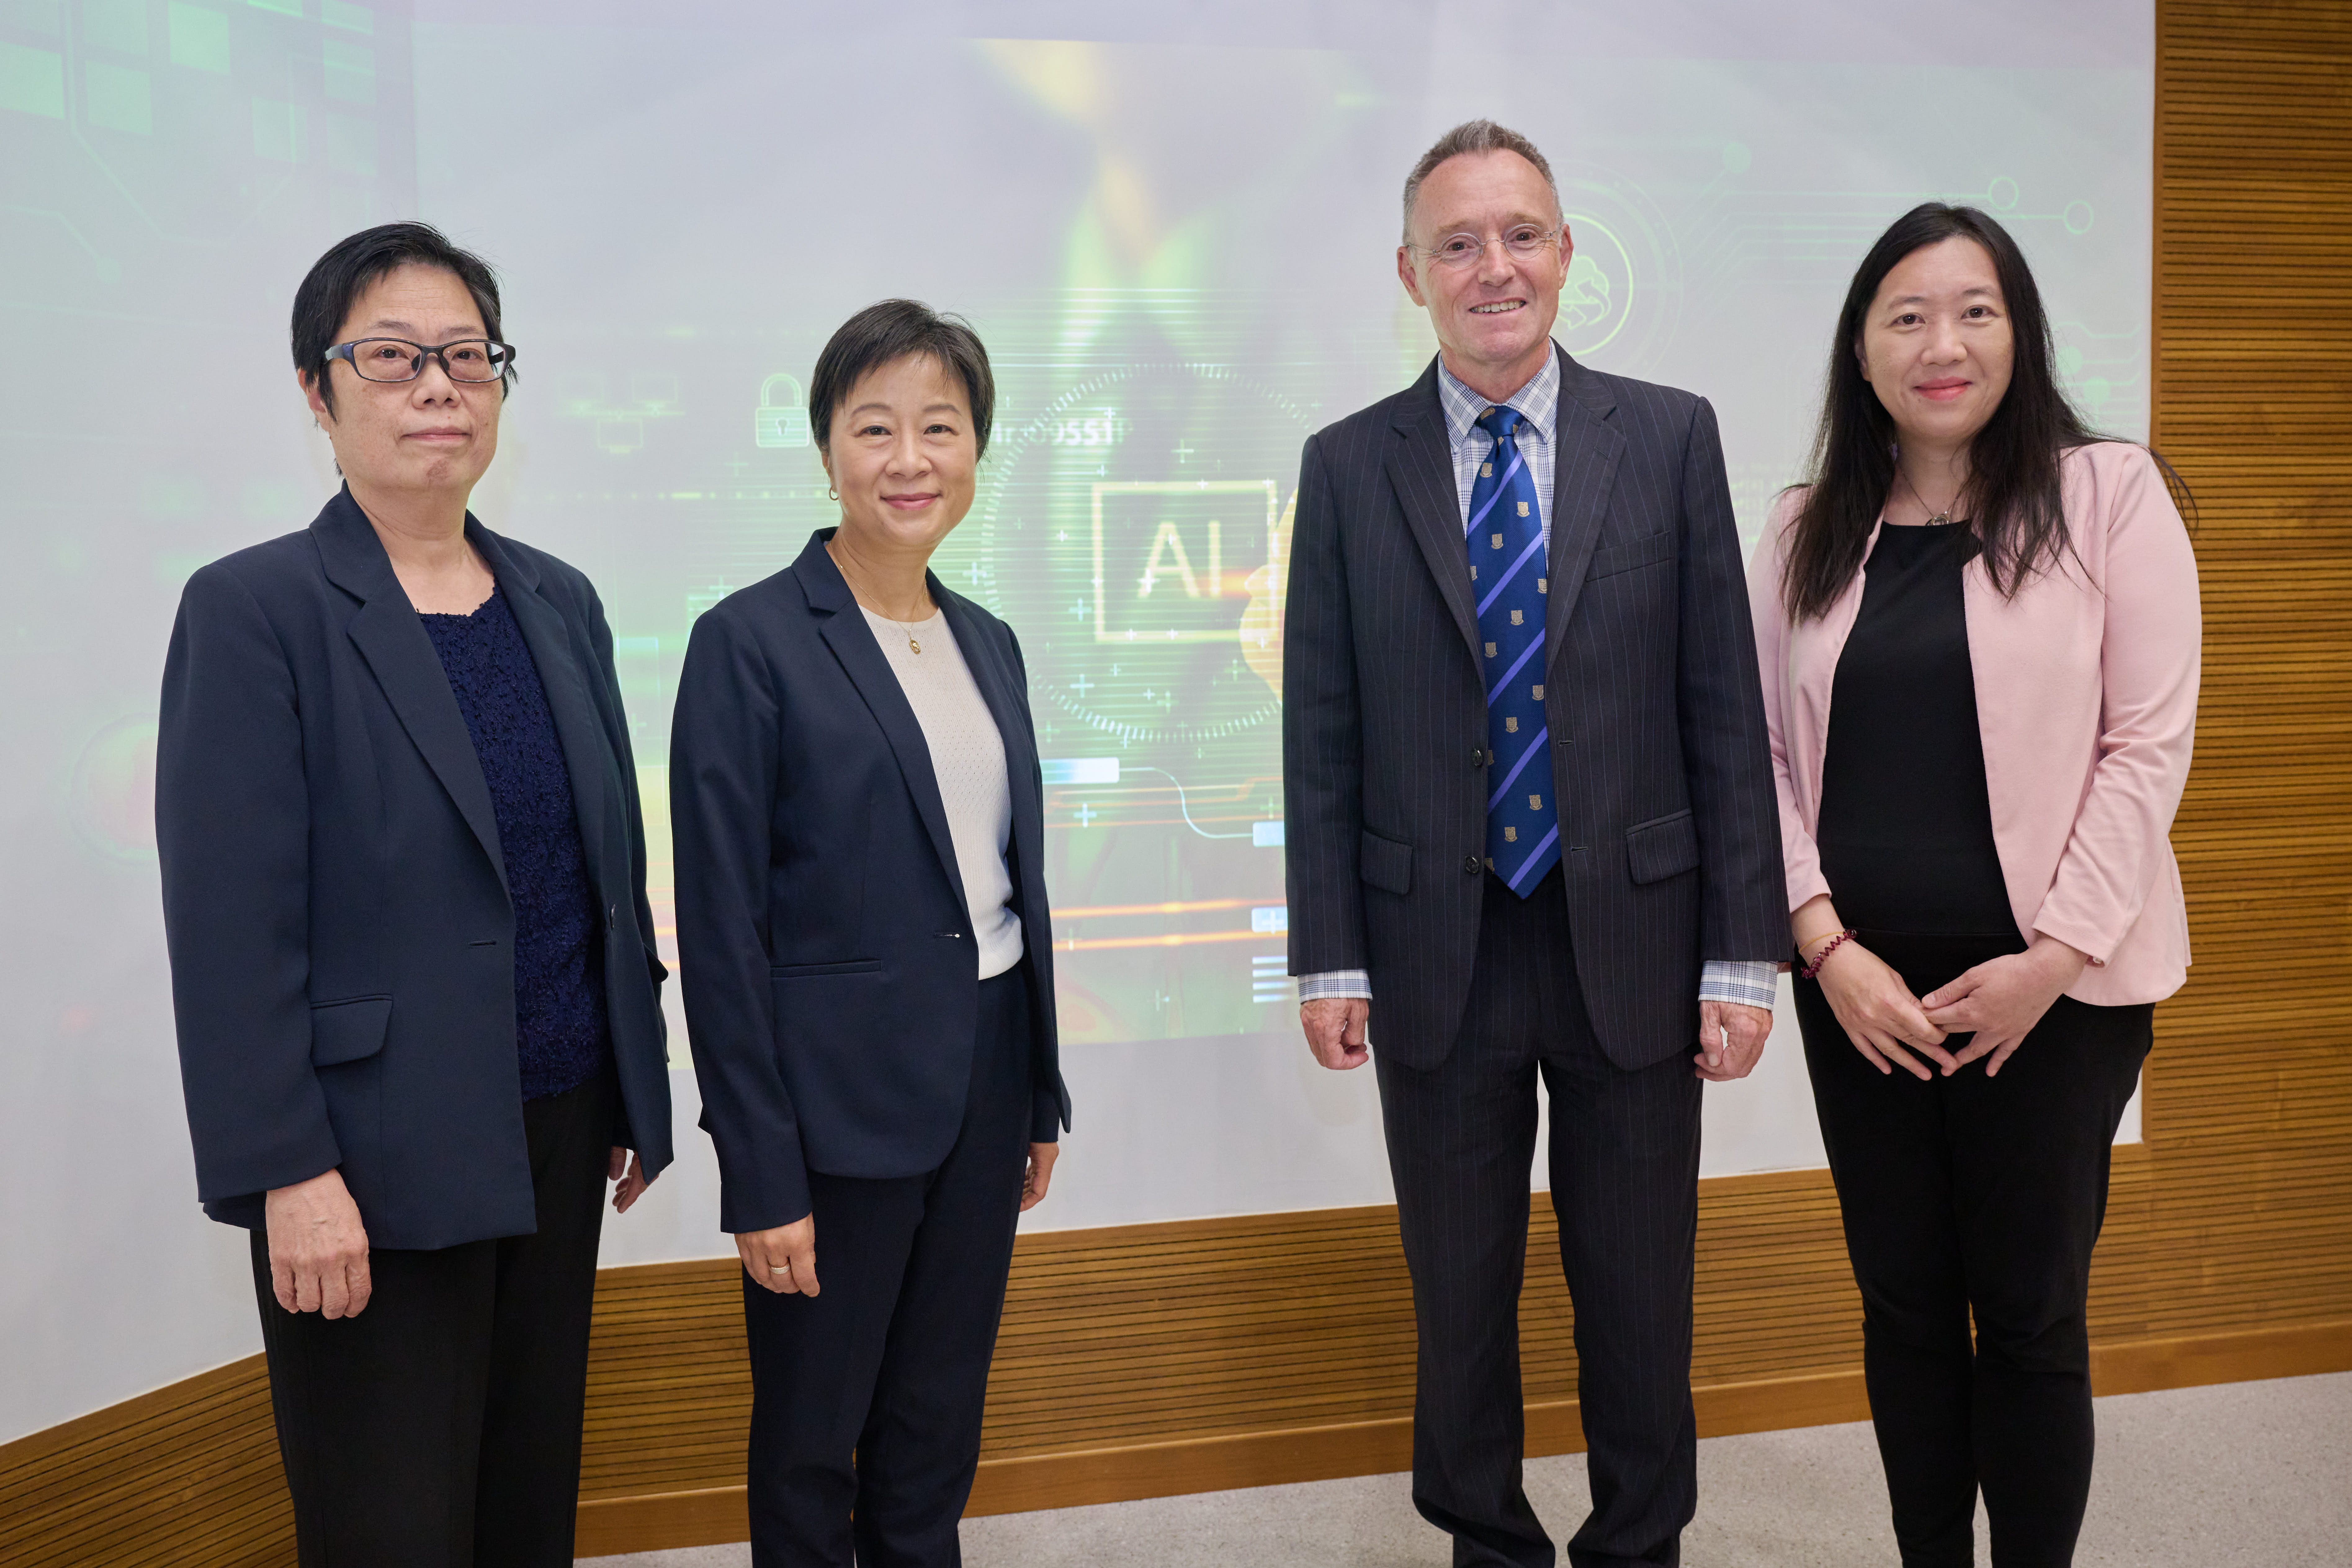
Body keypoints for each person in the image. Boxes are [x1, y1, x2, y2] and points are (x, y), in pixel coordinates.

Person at [1283, 120, 1788, 1568]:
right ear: (1412, 273)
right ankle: (1489, 1548)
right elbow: (1322, 726)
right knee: (1459, 1305)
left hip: (1636, 938)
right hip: (1433, 947)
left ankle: (1639, 1546)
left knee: (1640, 1298)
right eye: (1457, 243)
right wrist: (1328, 953)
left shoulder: (1670, 436)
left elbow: (1721, 704)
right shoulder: (1347, 465)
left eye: (1518, 235)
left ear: (1567, 254)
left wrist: (1742, 955)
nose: (1491, 267)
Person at [155, 222, 674, 1568]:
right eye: (392, 357)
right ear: (318, 393)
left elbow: (600, 866)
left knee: (525, 1504)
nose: (439, 384)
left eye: (467, 355)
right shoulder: (256, 611)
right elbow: (229, 930)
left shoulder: (559, 599)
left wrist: (631, 1082)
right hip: (369, 1156)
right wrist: (288, 1172)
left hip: (558, 1127)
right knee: (389, 1523)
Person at [1749, 203, 2199, 1566]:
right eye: (1908, 317)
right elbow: (1758, 755)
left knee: (2029, 1312)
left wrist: (2050, 961)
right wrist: (1826, 947)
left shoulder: (2109, 495)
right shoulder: (1801, 529)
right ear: (1863, 350)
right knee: (1901, 1308)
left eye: (1975, 311)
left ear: (2020, 332)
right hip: (1863, 995)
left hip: (2057, 995)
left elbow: (2147, 744)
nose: (1942, 344)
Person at [671, 299, 1070, 1568]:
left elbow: (1005, 887)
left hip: (986, 1080)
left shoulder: (989, 642)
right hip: (830, 1111)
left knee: (935, 1425)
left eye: (940, 428)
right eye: (875, 427)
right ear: (828, 447)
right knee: (812, 1438)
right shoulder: (748, 643)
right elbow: (721, 931)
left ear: (976, 448)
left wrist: (1038, 1093)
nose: (910, 459)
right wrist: (760, 1168)